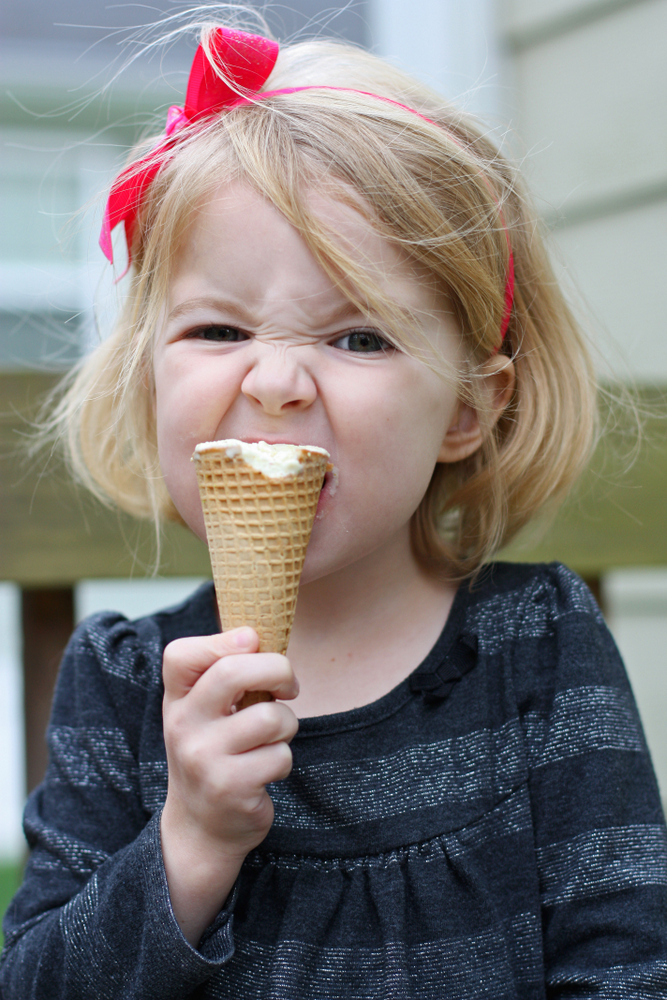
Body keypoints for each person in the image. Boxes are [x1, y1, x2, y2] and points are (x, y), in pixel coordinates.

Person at [2, 20, 666, 1000]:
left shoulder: (538, 644)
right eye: (218, 327)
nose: (273, 380)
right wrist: (188, 841)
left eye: (357, 337)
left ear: (467, 409)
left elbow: (625, 968)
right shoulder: (123, 684)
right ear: (147, 374)